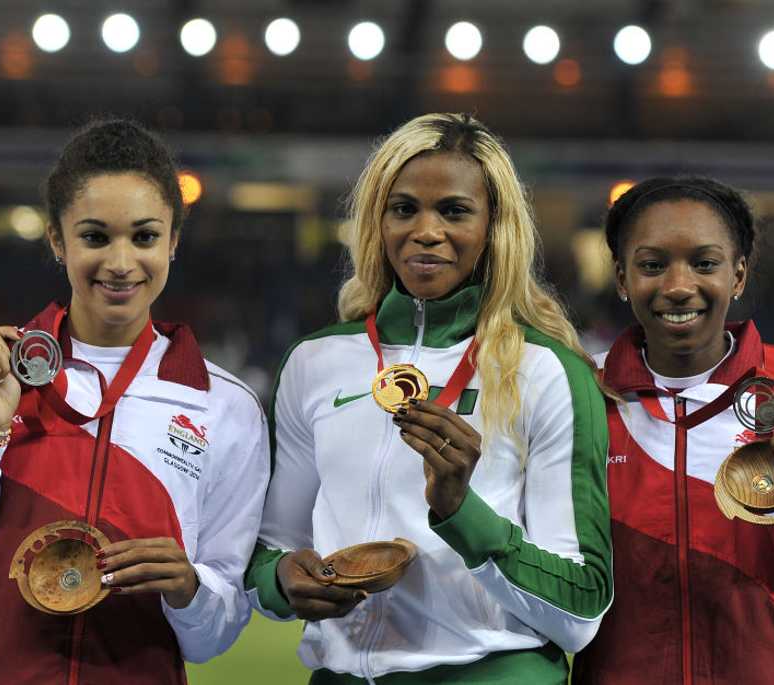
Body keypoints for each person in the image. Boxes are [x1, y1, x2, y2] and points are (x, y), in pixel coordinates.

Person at [0, 119, 269, 684]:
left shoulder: (223, 406)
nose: (122, 263)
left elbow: (214, 636)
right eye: (95, 236)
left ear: (175, 241)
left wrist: (190, 590)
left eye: (145, 236)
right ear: (57, 240)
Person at [244, 112, 613, 683]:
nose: (426, 230)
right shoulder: (315, 362)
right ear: (377, 222)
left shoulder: (547, 372)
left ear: (495, 227)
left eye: (455, 211)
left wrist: (461, 511)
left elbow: (580, 608)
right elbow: (272, 548)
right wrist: (282, 580)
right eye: (404, 208)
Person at [571, 176, 774, 684]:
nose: (679, 286)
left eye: (705, 263)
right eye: (652, 265)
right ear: (621, 277)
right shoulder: (578, 395)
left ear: (739, 275)